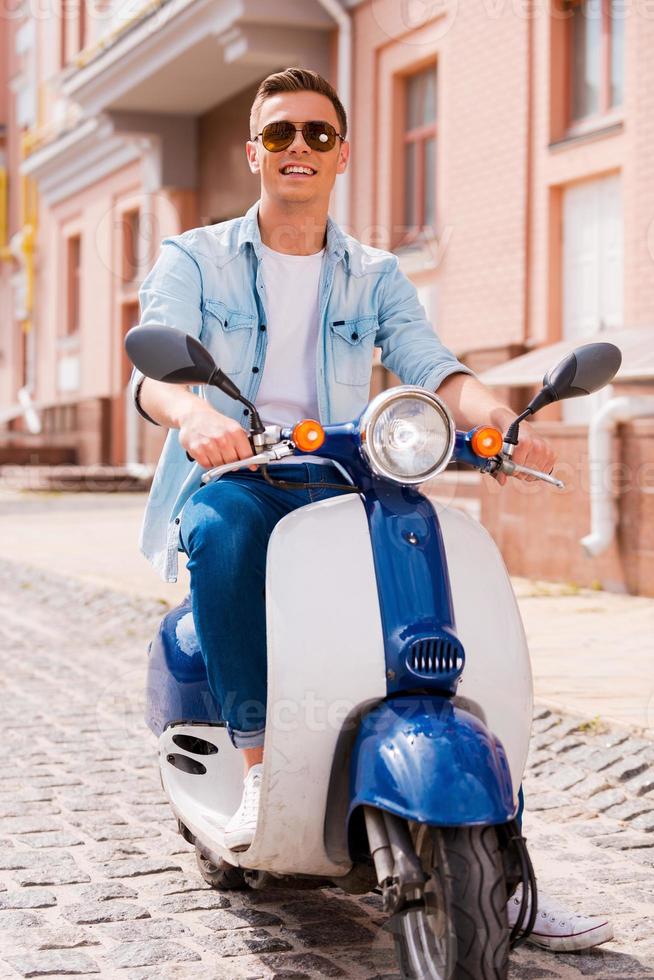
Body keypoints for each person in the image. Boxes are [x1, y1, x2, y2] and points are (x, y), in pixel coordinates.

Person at [131, 67, 612, 952]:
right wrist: (197, 415)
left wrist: (500, 421)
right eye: (280, 135)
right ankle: (259, 767)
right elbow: (158, 375)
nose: (299, 149)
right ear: (255, 152)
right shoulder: (194, 257)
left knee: (427, 576)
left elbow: (433, 364)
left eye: (317, 134)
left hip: (350, 475)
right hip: (244, 471)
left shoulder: (374, 272)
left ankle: (499, 865)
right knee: (223, 534)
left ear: (344, 153)